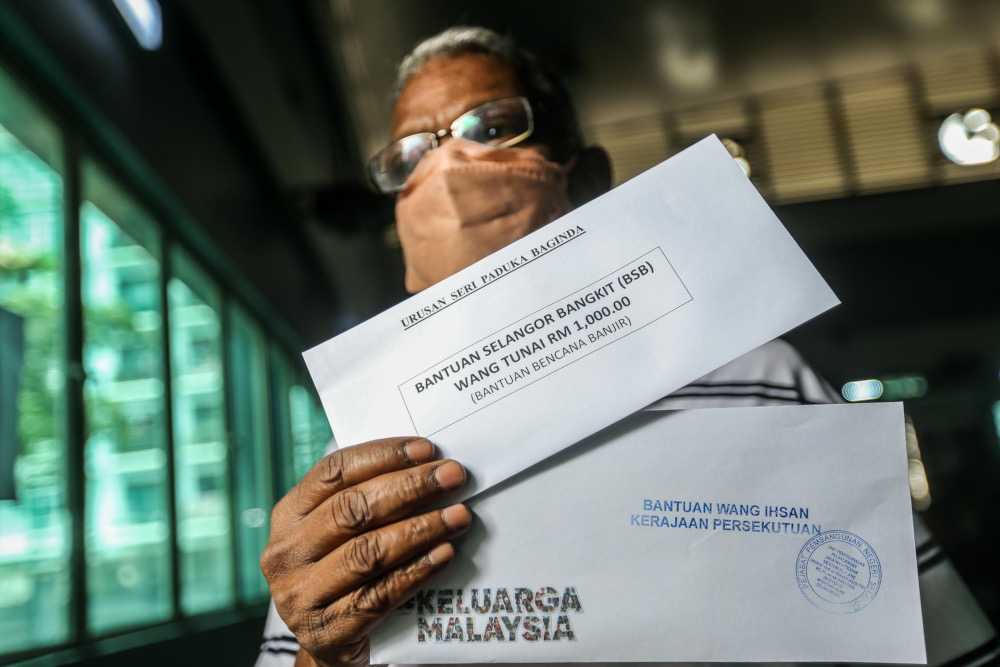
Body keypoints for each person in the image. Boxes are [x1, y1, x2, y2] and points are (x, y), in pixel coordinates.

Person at [257, 26, 998, 667]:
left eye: (489, 126)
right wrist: (325, 653)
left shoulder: (762, 369)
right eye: (411, 153)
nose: (444, 169)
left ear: (587, 176)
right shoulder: (368, 447)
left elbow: (922, 627)